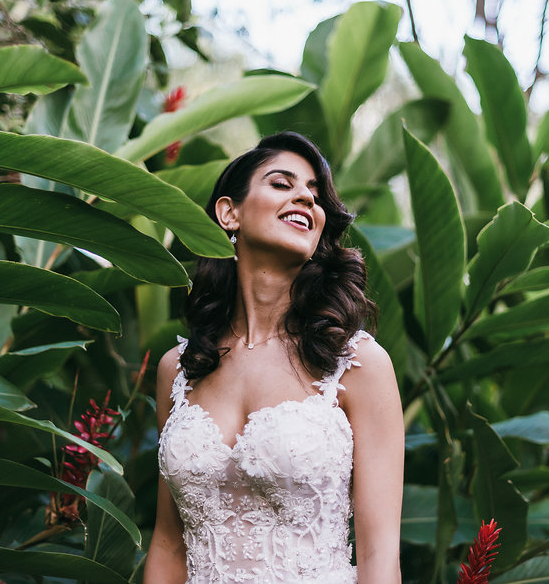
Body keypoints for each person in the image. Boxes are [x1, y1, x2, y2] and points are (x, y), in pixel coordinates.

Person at [143, 132, 404, 583]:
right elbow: (169, 543)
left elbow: (380, 555)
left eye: (314, 194)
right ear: (229, 213)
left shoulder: (356, 363)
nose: (305, 196)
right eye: (282, 184)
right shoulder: (180, 369)